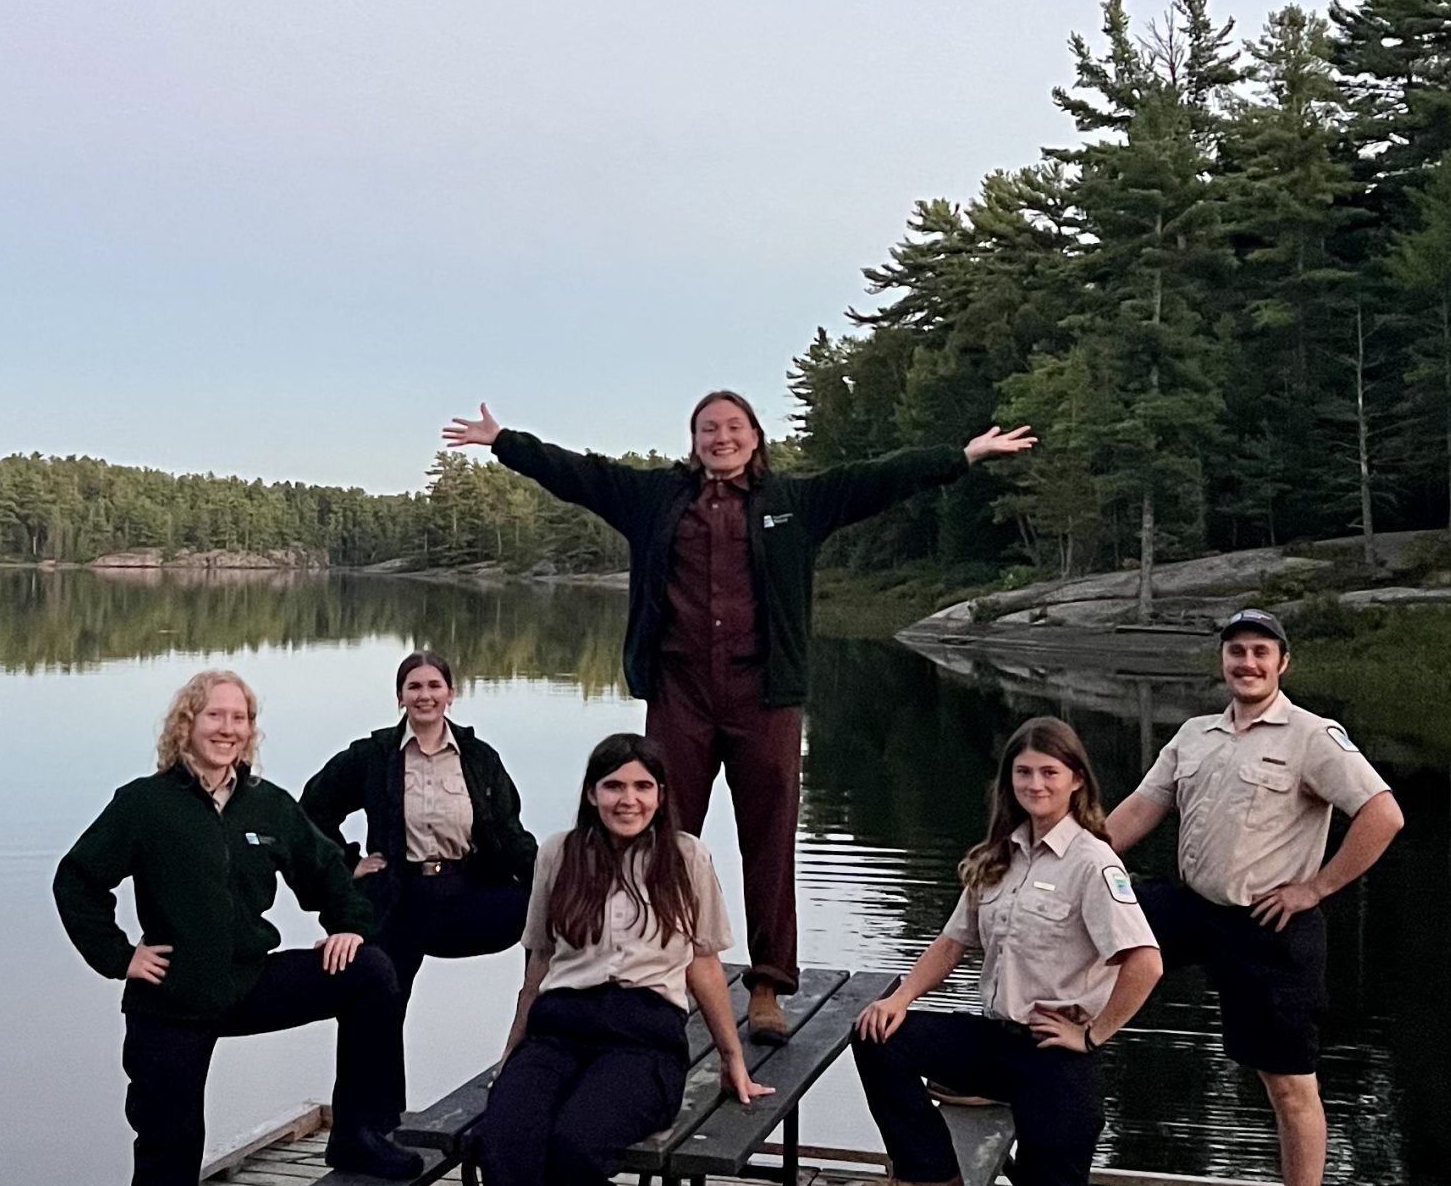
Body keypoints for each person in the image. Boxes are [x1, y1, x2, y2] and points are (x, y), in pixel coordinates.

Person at [443, 394, 1034, 1047]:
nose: (720, 437)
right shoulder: (657, 499)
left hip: (766, 696)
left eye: (732, 427)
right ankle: (653, 970)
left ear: (755, 436)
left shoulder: (794, 502)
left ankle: (767, 985)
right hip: (680, 693)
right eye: (707, 429)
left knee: (771, 835)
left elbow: (878, 476)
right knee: (658, 835)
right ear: (693, 440)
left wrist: (961, 456)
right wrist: (505, 442)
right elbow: (583, 473)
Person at [53, 668, 422, 1186]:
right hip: (172, 999)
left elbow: (328, 874)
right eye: (214, 716)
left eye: (240, 718)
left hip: (252, 981)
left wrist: (347, 923)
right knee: (170, 1150)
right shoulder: (144, 805)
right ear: (185, 724)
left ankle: (359, 1132)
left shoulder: (267, 806)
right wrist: (120, 956)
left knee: (371, 972)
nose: (228, 729)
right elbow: (77, 881)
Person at [850, 716, 1162, 1186]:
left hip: (1055, 1056)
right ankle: (930, 1175)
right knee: (877, 1038)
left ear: (1076, 780)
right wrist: (899, 997)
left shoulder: (1092, 863)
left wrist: (1093, 1032)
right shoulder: (1003, 855)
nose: (1036, 784)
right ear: (1010, 783)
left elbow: (1145, 962)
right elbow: (955, 940)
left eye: (1050, 773)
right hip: (996, 1041)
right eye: (1024, 773)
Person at [1103, 608, 1404, 1186]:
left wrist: (1317, 887)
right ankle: (1011, 1060)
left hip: (1271, 926)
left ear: (1283, 663)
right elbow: (1138, 812)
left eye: (1260, 653)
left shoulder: (1311, 738)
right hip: (1195, 907)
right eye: (1236, 652)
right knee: (1091, 932)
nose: (1247, 663)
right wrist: (1062, 857)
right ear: (1223, 662)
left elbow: (1383, 815)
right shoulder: (1194, 735)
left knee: (1289, 1086)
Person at [478, 732, 770, 1186]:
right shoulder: (559, 853)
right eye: (614, 787)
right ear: (592, 792)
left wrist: (732, 1058)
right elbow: (538, 965)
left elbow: (702, 965)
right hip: (560, 1027)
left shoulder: (687, 857)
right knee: (506, 1141)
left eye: (641, 787)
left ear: (660, 795)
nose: (627, 800)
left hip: (643, 1038)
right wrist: (510, 1056)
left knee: (577, 1148)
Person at [299, 650, 537, 1006]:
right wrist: (349, 863)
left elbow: (508, 832)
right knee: (383, 1002)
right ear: (400, 697)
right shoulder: (373, 756)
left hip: (463, 892)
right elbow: (311, 812)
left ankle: (535, 1037)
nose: (425, 695)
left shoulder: (478, 757)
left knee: (543, 913)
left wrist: (554, 878)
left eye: (434, 686)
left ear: (450, 694)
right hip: (399, 895)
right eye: (414, 687)